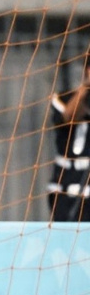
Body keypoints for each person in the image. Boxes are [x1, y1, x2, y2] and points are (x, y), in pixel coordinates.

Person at [48, 55, 90, 222]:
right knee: (67, 242)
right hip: (65, 187)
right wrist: (86, 87)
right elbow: (69, 117)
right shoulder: (63, 98)